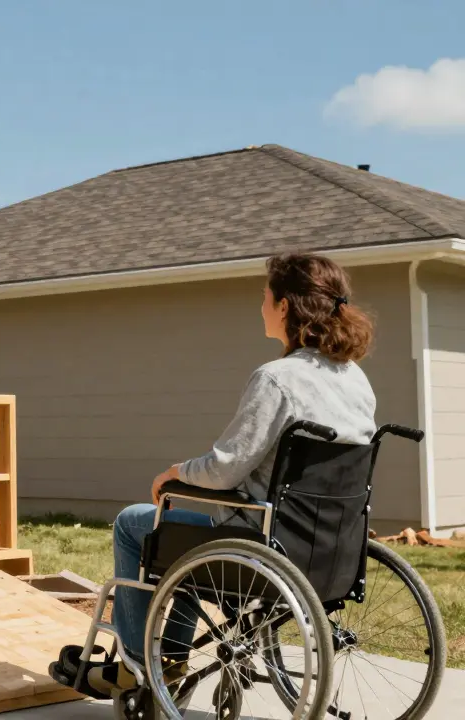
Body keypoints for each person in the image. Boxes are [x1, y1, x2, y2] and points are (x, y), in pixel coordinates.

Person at [93, 252, 377, 695]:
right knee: (182, 535)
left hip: (260, 543)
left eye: (264, 296)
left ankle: (136, 666)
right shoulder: (354, 378)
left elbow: (226, 469)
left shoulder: (276, 379)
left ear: (285, 306)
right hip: (327, 549)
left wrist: (174, 473)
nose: (260, 305)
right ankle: (171, 655)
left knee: (136, 523)